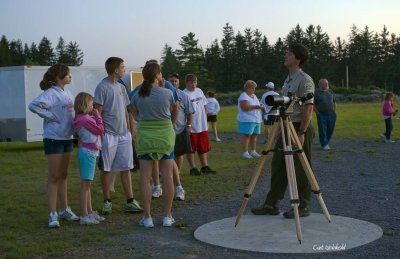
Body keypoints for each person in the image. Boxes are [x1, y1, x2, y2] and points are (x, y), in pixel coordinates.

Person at [251, 43, 315, 218]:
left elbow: (308, 108)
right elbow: (284, 104)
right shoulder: (288, 80)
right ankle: (271, 204)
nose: (285, 56)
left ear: (297, 58)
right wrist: (276, 127)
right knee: (278, 165)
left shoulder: (305, 79)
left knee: (300, 166)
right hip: (285, 126)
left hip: (298, 127)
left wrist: (301, 133)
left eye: (289, 54)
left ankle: (303, 206)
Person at [28, 64, 79, 228]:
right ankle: (52, 213)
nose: (70, 76)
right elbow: (33, 105)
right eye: (67, 74)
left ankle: (65, 209)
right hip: (54, 138)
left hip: (67, 138)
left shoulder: (68, 92)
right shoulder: (50, 93)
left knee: (64, 175)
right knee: (54, 176)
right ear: (58, 77)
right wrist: (51, 116)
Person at [128, 61, 176, 227]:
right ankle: (167, 216)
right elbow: (173, 112)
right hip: (165, 136)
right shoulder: (167, 93)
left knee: (144, 177)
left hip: (145, 137)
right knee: (168, 176)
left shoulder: (137, 95)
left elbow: (132, 111)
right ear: (157, 76)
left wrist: (139, 118)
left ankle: (147, 217)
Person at [94, 57, 142, 215]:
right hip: (109, 135)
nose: (124, 69)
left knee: (126, 168)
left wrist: (132, 129)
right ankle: (107, 201)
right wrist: (99, 133)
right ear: (115, 69)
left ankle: (130, 200)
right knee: (106, 169)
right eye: (122, 67)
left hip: (124, 135)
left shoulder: (121, 87)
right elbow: (97, 112)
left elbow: (127, 109)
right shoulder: (102, 87)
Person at [73, 92, 105, 225]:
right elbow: (100, 130)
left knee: (88, 184)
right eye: (91, 103)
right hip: (88, 153)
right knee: (86, 184)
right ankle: (84, 215)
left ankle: (89, 211)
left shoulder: (82, 118)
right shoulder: (85, 119)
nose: (93, 106)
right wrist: (98, 116)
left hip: (89, 152)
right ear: (86, 104)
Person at [183, 74, 216, 175]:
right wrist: (187, 125)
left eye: (195, 82)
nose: (193, 84)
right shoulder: (184, 94)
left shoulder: (199, 91)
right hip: (192, 126)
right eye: (191, 82)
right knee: (191, 148)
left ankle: (204, 166)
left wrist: (205, 119)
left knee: (203, 147)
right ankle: (193, 168)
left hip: (202, 125)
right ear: (186, 83)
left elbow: (205, 105)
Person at [169, 73, 195, 200]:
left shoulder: (183, 95)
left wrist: (189, 125)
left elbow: (190, 112)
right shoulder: (164, 93)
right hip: (166, 131)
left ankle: (177, 173)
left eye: (175, 81)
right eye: (171, 81)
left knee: (178, 154)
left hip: (179, 130)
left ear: (178, 83)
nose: (174, 83)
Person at [237, 80, 264, 159]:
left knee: (254, 136)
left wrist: (260, 106)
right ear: (247, 88)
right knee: (247, 136)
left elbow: (257, 105)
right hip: (247, 119)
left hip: (256, 119)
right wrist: (256, 107)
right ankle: (245, 153)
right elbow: (244, 107)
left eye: (255, 88)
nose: (254, 89)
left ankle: (253, 151)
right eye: (252, 88)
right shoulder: (243, 96)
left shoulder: (254, 96)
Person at [314, 78, 336, 150]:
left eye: (327, 83)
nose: (327, 84)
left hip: (331, 114)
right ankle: (324, 144)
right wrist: (317, 113)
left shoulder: (330, 91)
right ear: (320, 84)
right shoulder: (316, 93)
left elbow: (334, 102)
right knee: (322, 130)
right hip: (321, 115)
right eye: (325, 83)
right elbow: (313, 104)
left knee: (330, 129)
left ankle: (326, 142)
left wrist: (334, 111)